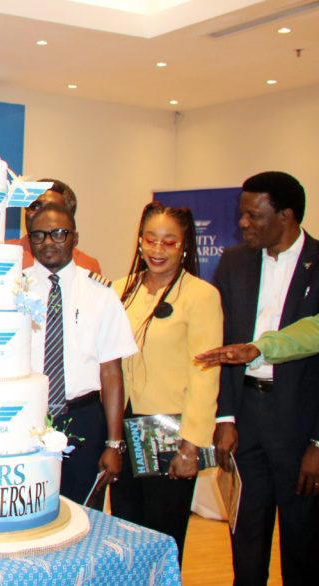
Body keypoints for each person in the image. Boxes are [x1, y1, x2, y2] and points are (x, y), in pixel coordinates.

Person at [204, 171, 319, 585]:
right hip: (245, 417)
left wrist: (318, 443)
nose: (243, 223)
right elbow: (222, 342)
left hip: (300, 423)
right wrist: (225, 418)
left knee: (303, 538)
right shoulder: (234, 262)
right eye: (243, 214)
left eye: (254, 215)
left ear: (286, 216)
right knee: (246, 535)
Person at [108, 202, 222, 563]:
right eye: (150, 239)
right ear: (140, 241)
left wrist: (191, 446)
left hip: (170, 432)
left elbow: (205, 374)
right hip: (123, 428)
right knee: (125, 535)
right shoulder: (120, 289)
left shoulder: (201, 295)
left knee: (163, 538)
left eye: (169, 242)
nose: (158, 249)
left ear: (184, 246)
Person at [23, 202, 136, 507]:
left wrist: (114, 443)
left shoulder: (101, 294)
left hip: (84, 418)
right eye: (39, 235)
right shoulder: (14, 289)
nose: (48, 242)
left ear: (74, 237)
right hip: (28, 417)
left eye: (59, 233)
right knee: (30, 507)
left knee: (83, 512)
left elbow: (111, 372)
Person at [6, 178, 102, 272]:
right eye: (34, 206)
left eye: (51, 208)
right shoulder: (2, 254)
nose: (41, 215)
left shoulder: (86, 265)